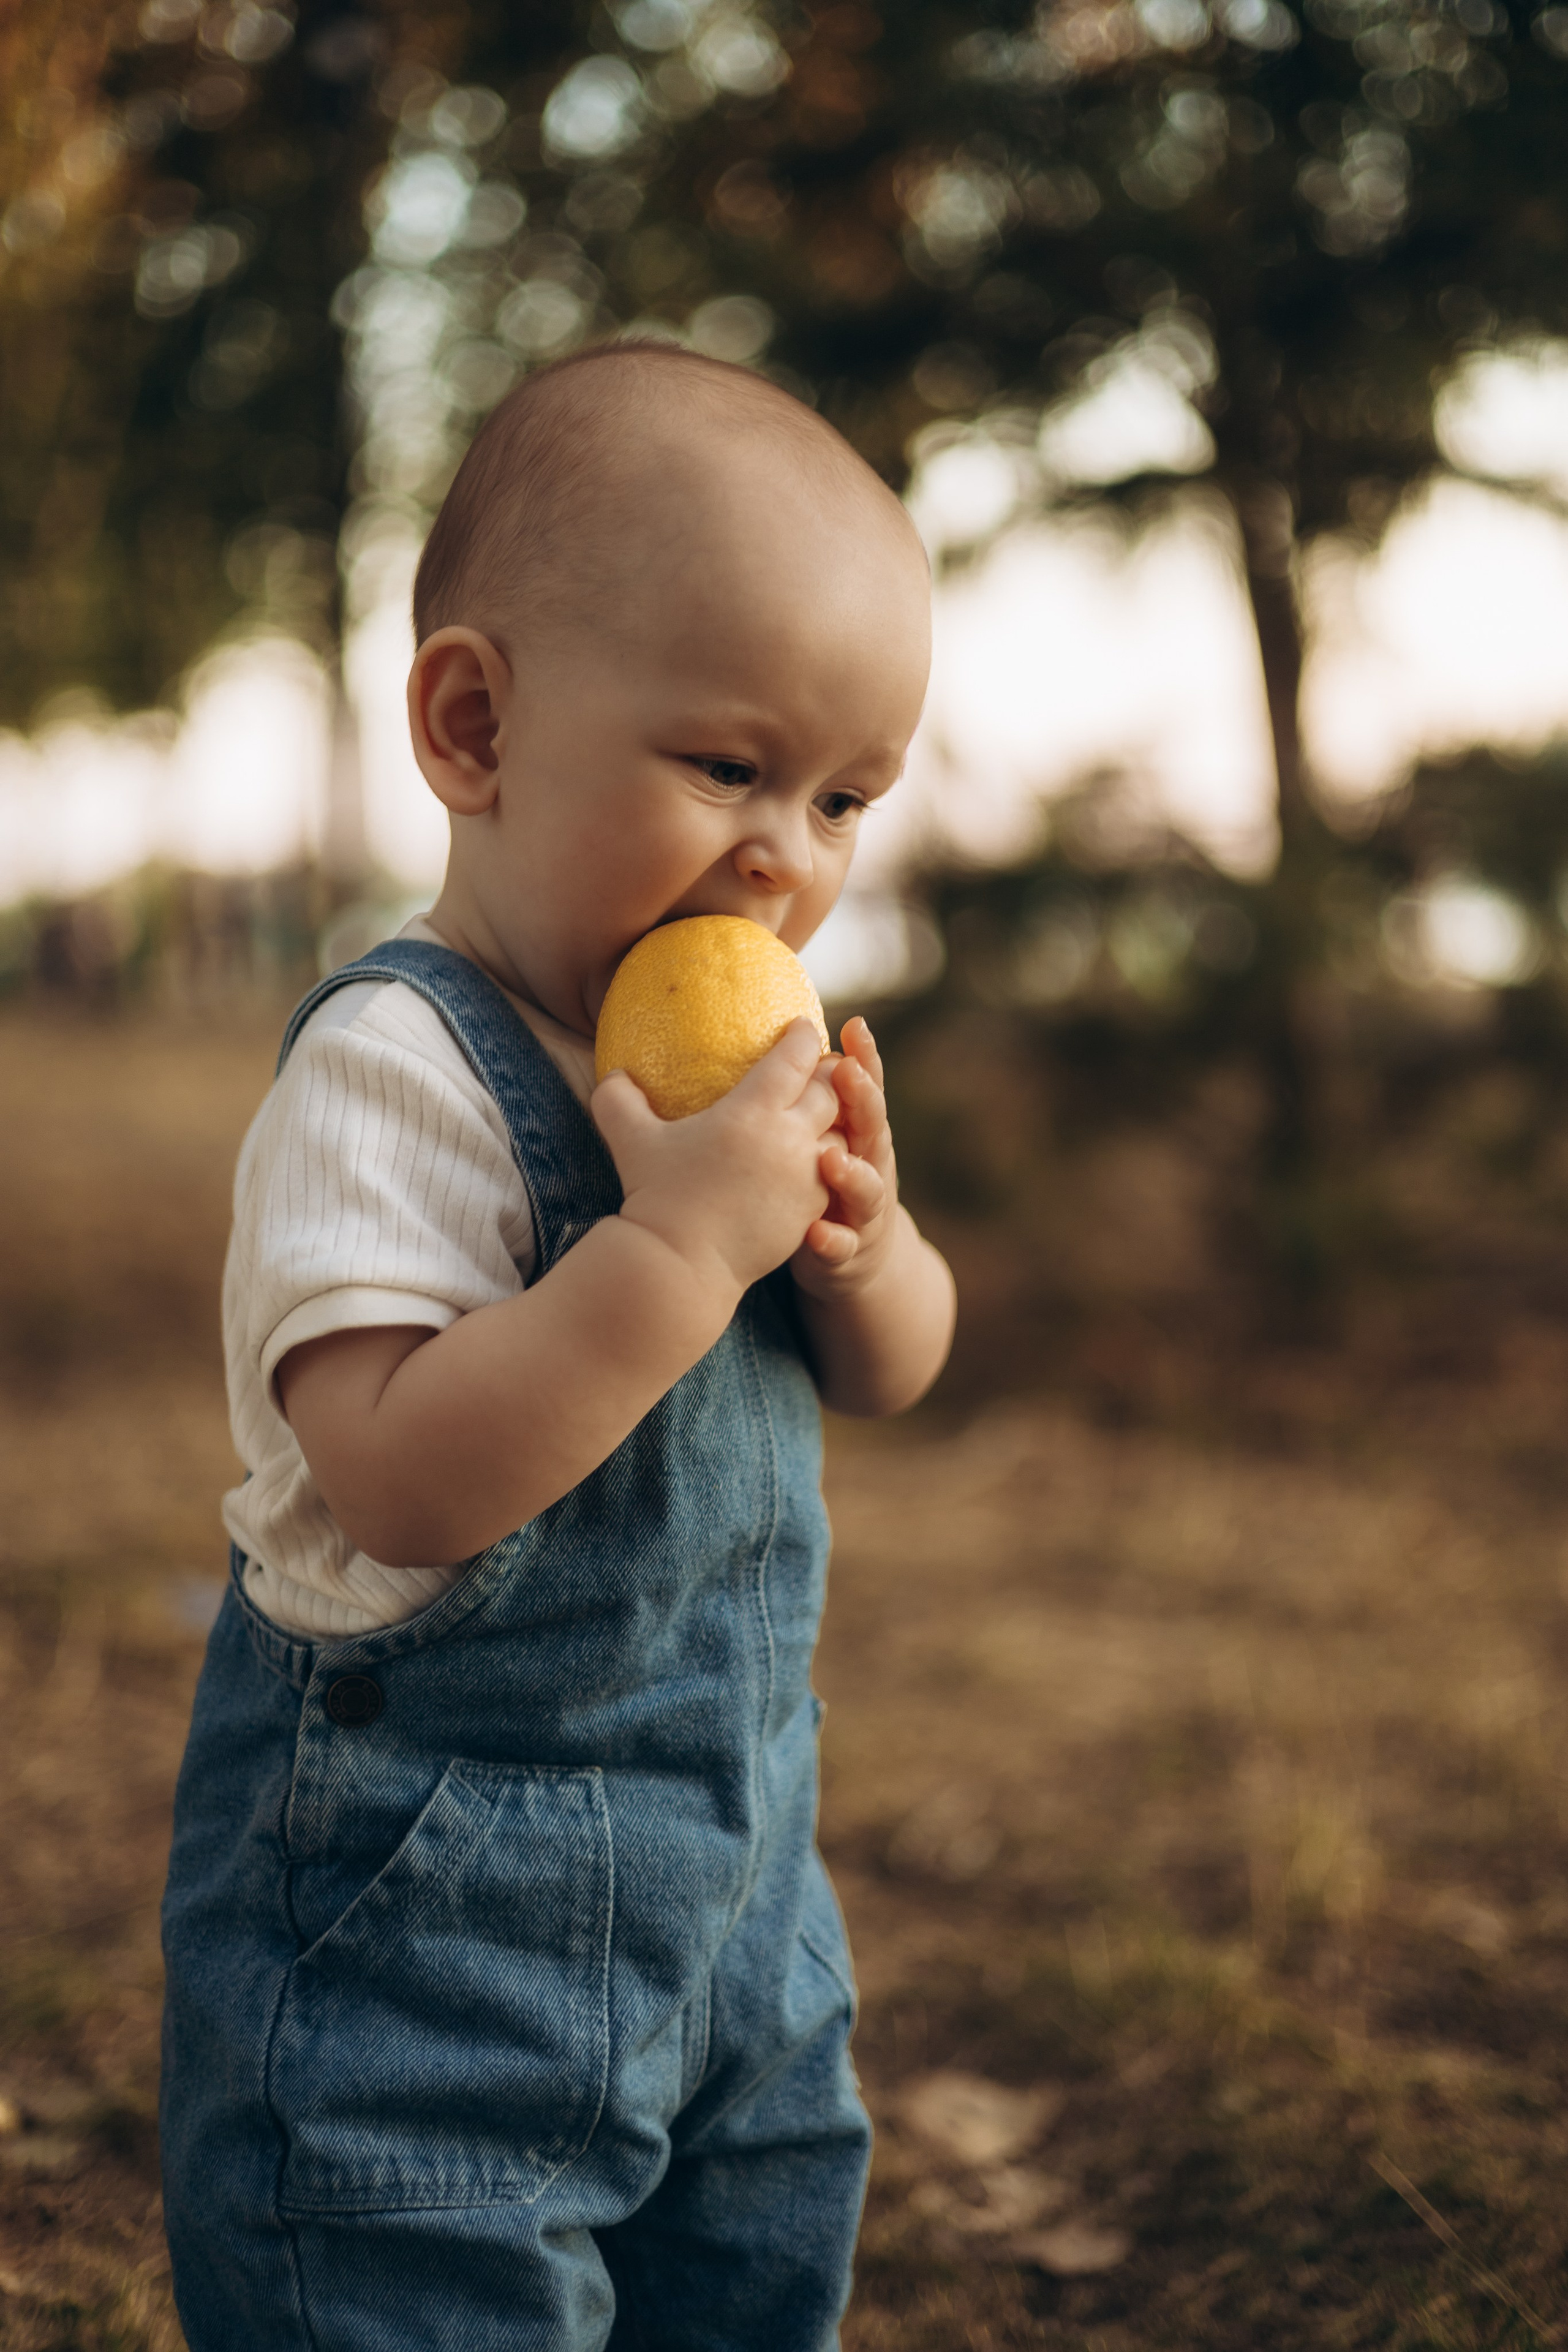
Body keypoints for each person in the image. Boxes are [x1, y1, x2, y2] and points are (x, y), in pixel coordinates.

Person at [160, 341, 956, 2352]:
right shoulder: (392, 1071)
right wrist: (681, 1252)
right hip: (426, 1933)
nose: (790, 855)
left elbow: (902, 1366)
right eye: (728, 768)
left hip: (741, 1896)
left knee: (752, 2274)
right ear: (475, 721)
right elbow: (402, 1472)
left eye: (845, 796)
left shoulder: (741, 1089)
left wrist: (856, 1253)